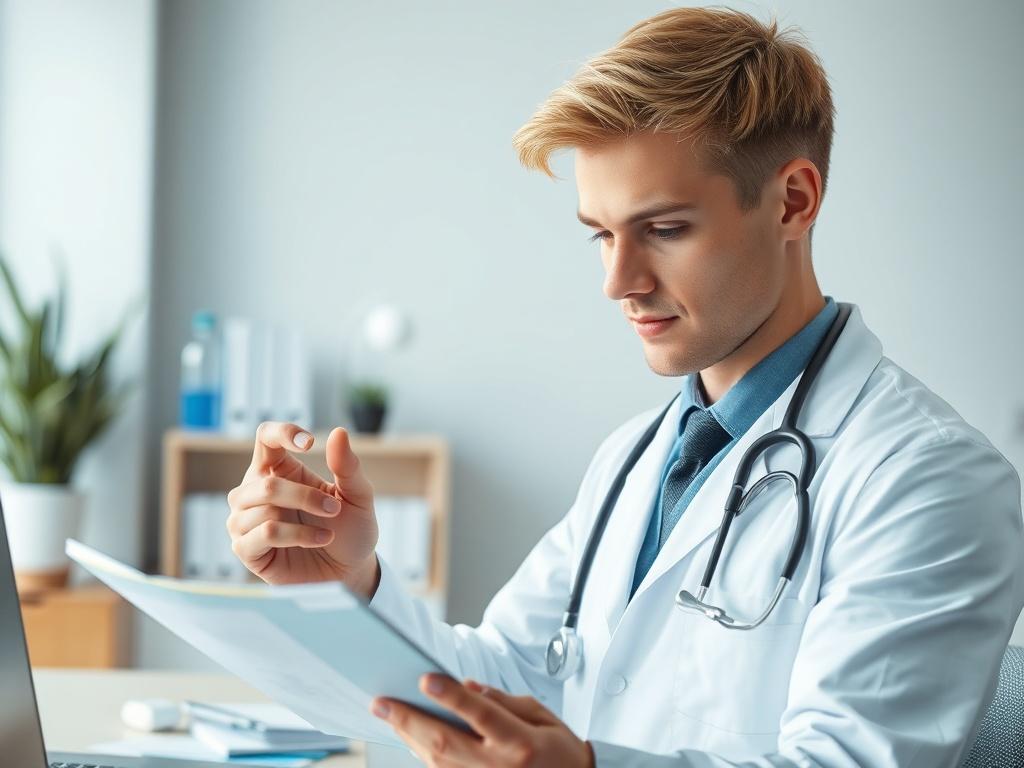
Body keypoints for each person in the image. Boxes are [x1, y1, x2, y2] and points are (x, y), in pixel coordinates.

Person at [225, 7, 1024, 766]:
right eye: (601, 235)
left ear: (793, 201)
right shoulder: (635, 459)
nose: (619, 281)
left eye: (664, 230)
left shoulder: (930, 482)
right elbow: (500, 684)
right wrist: (349, 587)